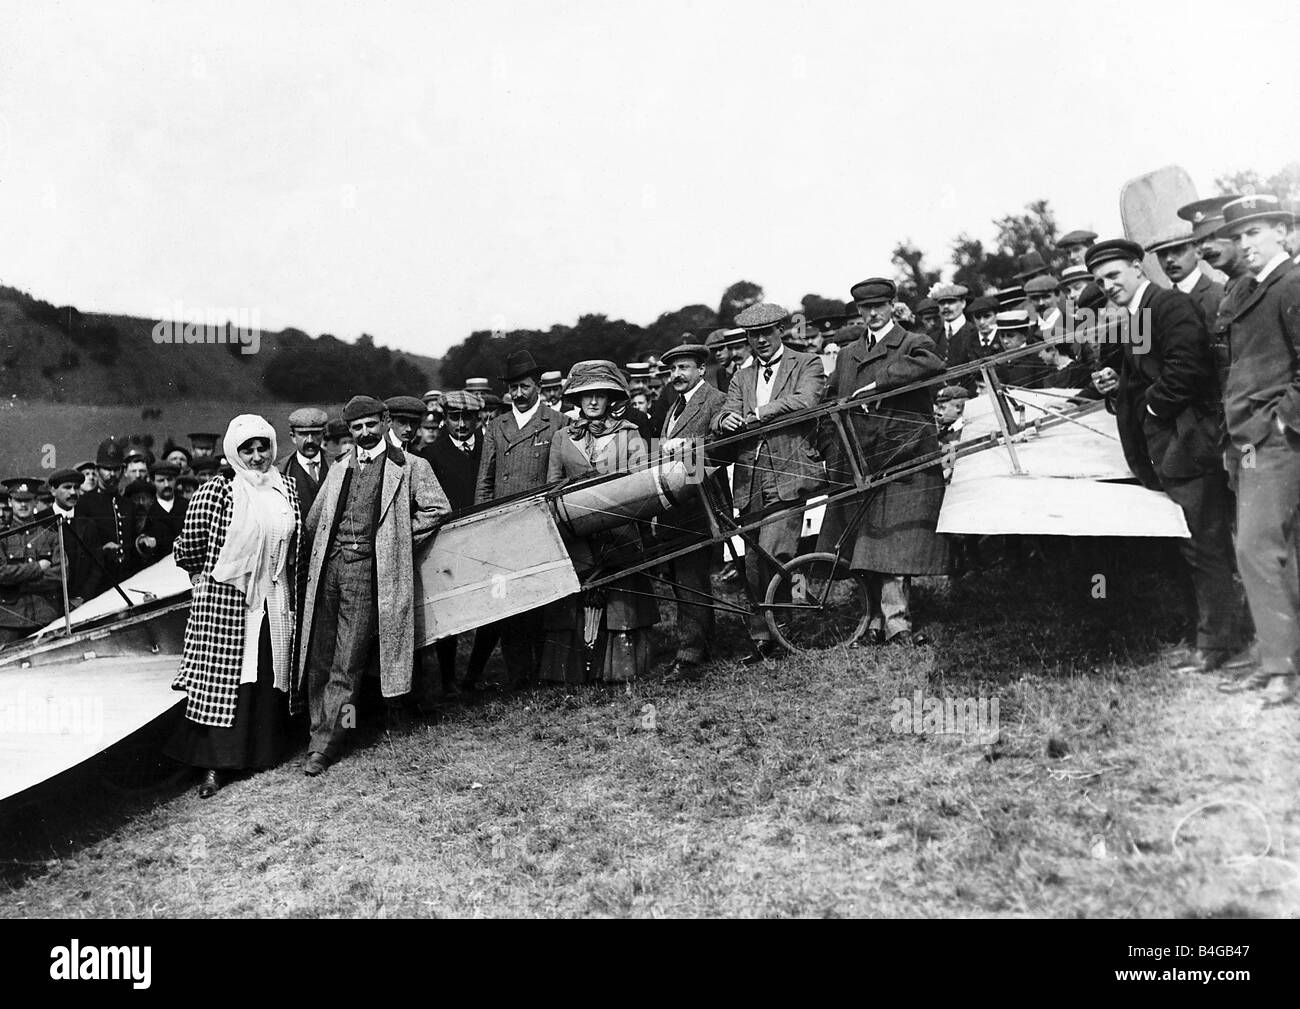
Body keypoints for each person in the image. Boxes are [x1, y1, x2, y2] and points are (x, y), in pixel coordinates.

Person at [1086, 238, 1244, 675]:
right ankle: (1205, 633)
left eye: (1114, 274)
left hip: (1187, 444)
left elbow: (1187, 368)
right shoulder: (1137, 313)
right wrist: (1114, 384)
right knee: (1189, 545)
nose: (1108, 285)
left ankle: (1217, 645)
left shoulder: (1168, 305)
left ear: (1138, 268)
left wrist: (1154, 409)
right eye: (1101, 281)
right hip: (1164, 449)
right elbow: (1143, 373)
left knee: (1204, 545)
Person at [300, 396, 451, 774]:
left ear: (385, 421)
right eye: (357, 428)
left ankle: (329, 744)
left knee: (348, 660)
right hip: (330, 570)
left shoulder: (411, 466)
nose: (365, 433)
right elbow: (314, 519)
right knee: (320, 658)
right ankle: (324, 729)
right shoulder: (339, 468)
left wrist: (396, 539)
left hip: (367, 575)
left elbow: (438, 509)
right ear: (349, 431)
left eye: (371, 424)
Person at [164, 415, 303, 798]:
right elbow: (188, 548)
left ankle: (259, 754)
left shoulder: (285, 490)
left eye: (263, 448)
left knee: (264, 673)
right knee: (226, 680)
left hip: (274, 596)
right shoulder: (218, 491)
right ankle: (215, 765)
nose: (257, 457)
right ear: (234, 453)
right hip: (227, 601)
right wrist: (205, 579)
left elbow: (293, 545)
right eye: (248, 449)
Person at [819, 278, 947, 646]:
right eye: (864, 308)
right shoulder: (847, 354)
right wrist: (832, 447)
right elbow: (830, 402)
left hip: (901, 456)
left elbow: (932, 364)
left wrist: (880, 384)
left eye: (879, 306)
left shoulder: (912, 343)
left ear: (893, 305)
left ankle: (897, 623)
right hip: (857, 461)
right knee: (864, 544)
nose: (872, 314)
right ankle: (872, 621)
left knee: (893, 544)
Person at [1215, 195, 1300, 704]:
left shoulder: (1291, 285)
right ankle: (1282, 659)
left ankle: (1280, 668)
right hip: (1251, 437)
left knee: (1255, 549)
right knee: (1278, 549)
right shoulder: (1248, 288)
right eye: (1239, 235)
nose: (1244, 244)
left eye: (1256, 232)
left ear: (1282, 232)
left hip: (1273, 440)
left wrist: (1281, 422)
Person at [712, 302, 826, 663]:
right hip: (750, 476)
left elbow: (806, 400)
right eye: (752, 335)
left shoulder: (806, 362)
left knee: (777, 552)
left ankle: (782, 630)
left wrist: (759, 413)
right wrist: (725, 420)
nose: (759, 341)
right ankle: (764, 636)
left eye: (766, 333)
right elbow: (725, 411)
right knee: (752, 560)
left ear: (780, 330)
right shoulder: (741, 377)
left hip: (789, 470)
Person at [539, 361, 658, 684]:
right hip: (578, 533)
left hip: (621, 530)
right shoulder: (562, 437)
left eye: (599, 395)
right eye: (585, 396)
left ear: (610, 398)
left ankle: (621, 669)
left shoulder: (630, 434)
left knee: (623, 599)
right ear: (576, 400)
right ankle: (574, 671)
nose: (592, 402)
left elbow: (644, 484)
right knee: (576, 599)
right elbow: (552, 486)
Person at [473, 351, 566, 687]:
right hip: (503, 526)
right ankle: (517, 675)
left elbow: (560, 478)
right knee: (509, 600)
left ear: (538, 386)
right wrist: (482, 525)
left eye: (525, 386)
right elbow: (485, 480)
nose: (519, 393)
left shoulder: (557, 423)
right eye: (513, 387)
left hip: (539, 525)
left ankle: (544, 669)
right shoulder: (496, 426)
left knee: (541, 597)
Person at [656, 343, 728, 678]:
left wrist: (691, 449)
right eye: (673, 370)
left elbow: (723, 449)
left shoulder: (713, 400)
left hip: (700, 503)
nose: (677, 376)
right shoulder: (674, 407)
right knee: (683, 578)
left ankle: (690, 654)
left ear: (701, 369)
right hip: (676, 502)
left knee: (690, 577)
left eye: (684, 368)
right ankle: (703, 643)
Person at [420, 390, 489, 695]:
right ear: (444, 418)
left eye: (468, 418)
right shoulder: (430, 455)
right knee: (448, 612)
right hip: (446, 541)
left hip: (483, 537)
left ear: (479, 418)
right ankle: (448, 679)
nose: (461, 424)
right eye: (454, 417)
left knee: (492, 606)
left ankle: (474, 673)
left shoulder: (488, 448)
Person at [75, 437, 138, 583]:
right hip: (99, 580)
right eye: (107, 469)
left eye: (116, 469)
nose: (112, 474)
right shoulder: (84, 503)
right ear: (97, 470)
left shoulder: (128, 505)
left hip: (128, 578)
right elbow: (80, 549)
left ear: (122, 470)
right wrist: (101, 550)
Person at [1146, 231, 1224, 326]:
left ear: (1198, 253)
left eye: (1177, 251)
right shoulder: (1158, 305)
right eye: (1162, 254)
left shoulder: (1219, 296)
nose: (1169, 259)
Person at [134, 462, 187, 565]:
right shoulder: (147, 511)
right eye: (161, 481)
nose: (166, 484)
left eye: (170, 479)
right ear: (153, 481)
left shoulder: (187, 506)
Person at [281, 407, 330, 518]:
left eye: (315, 434)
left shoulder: (339, 464)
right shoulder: (281, 471)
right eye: (303, 434)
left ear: (323, 434)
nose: (310, 440)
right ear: (293, 437)